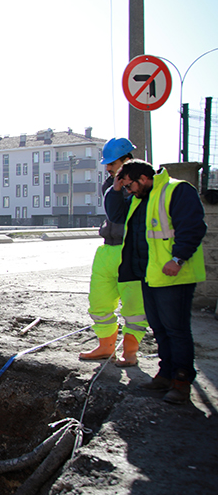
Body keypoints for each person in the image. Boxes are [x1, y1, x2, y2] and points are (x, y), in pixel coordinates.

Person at [107, 159, 207, 404]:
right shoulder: (140, 198)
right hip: (149, 274)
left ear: (143, 178)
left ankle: (181, 381)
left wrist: (178, 258)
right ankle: (165, 374)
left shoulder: (177, 190)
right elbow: (117, 215)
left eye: (129, 185)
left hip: (174, 275)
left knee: (176, 330)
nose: (128, 191)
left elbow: (193, 227)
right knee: (160, 329)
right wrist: (117, 188)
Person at [79, 138, 148, 366]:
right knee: (99, 302)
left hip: (131, 250)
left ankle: (130, 352)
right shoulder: (110, 185)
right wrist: (116, 188)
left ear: (127, 160)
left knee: (134, 307)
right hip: (108, 248)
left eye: (112, 163)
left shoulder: (144, 186)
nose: (108, 167)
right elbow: (114, 213)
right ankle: (106, 346)